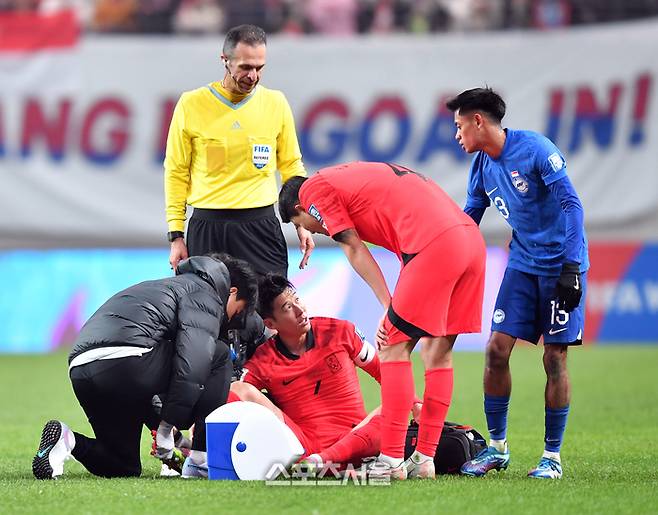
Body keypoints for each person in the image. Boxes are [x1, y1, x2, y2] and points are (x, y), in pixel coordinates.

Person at [278, 162, 486, 480]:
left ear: (299, 207)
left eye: (301, 222)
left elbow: (353, 247)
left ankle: (390, 460)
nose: (314, 230)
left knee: (391, 348)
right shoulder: (350, 177)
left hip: (433, 244)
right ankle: (424, 459)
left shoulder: (313, 189)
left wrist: (389, 307)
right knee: (437, 352)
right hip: (470, 242)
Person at [446, 87, 588, 479]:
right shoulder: (481, 166)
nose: (457, 135)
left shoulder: (537, 150)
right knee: (495, 349)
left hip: (561, 264)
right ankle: (497, 448)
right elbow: (468, 219)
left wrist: (572, 266)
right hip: (522, 264)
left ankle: (552, 458)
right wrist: (445, 259)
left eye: (459, 126)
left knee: (554, 358)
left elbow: (572, 204)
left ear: (478, 121)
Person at [32, 254, 258, 480]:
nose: (230, 320)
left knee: (122, 465)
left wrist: (175, 437)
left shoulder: (169, 285)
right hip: (127, 362)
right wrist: (167, 428)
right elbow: (193, 363)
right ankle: (201, 459)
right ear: (232, 292)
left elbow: (149, 381)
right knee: (217, 354)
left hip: (82, 367)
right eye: (237, 312)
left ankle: (66, 439)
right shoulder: (205, 294)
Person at [164, 23, 314, 277]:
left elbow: (291, 165)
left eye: (259, 68)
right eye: (245, 67)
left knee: (270, 313)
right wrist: (176, 234)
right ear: (225, 60)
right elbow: (176, 171)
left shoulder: (275, 102)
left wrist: (303, 218)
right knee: (209, 314)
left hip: (261, 225)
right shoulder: (192, 104)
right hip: (208, 227)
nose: (253, 75)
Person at [230, 273, 398, 469]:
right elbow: (235, 398)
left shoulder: (340, 331)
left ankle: (321, 461)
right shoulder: (263, 359)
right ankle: (205, 457)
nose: (301, 310)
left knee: (394, 406)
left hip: (357, 438)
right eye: (288, 308)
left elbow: (386, 374)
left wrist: (416, 404)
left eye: (297, 299)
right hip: (304, 445)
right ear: (270, 324)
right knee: (239, 389)